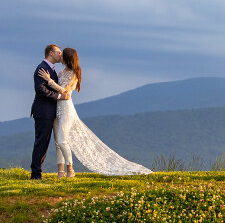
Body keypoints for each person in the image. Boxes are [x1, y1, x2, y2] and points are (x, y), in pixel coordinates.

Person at [37, 47, 152, 176]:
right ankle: (60, 172)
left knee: (63, 140)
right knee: (58, 142)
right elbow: (59, 92)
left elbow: (64, 91)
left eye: (62, 55)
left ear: (68, 58)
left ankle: (70, 169)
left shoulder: (74, 73)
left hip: (66, 109)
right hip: (56, 108)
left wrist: (49, 80)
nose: (60, 57)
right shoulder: (61, 73)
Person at [30, 44, 70, 180]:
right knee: (41, 142)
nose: (61, 55)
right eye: (59, 53)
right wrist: (59, 96)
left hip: (51, 112)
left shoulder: (52, 70)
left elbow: (53, 86)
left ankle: (37, 173)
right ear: (51, 53)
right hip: (43, 112)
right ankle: (36, 174)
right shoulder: (42, 68)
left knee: (48, 142)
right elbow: (40, 89)